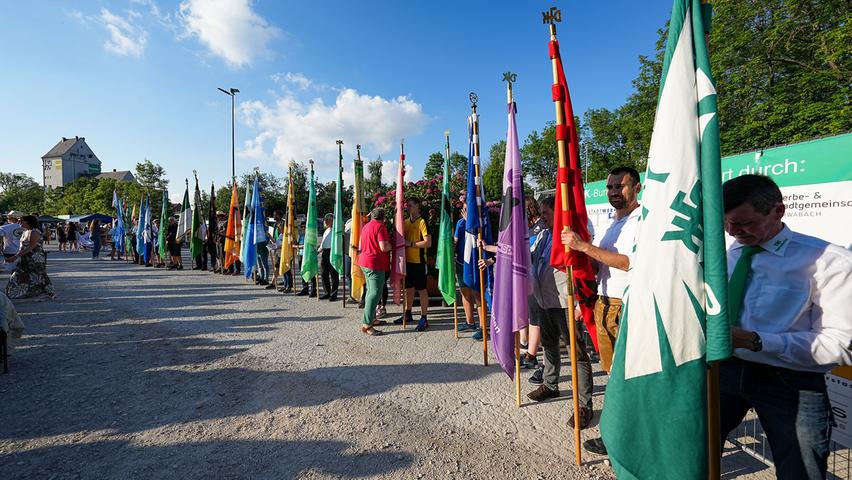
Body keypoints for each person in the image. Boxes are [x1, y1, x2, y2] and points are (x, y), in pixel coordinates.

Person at [719, 174, 852, 479]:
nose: (733, 232)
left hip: (792, 382)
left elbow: (840, 344)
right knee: (695, 448)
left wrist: (756, 340)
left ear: (777, 211)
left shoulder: (829, 262)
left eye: (744, 223)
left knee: (800, 470)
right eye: (727, 223)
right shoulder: (730, 254)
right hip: (725, 370)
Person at [561, 165, 642, 455]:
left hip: (626, 307)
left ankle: (627, 438)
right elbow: (603, 264)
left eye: (619, 187)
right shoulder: (613, 223)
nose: (613, 192)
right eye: (609, 187)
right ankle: (618, 435)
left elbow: (628, 262)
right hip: (604, 304)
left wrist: (583, 247)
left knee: (627, 378)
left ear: (636, 188)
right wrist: (579, 263)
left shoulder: (641, 221)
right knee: (612, 375)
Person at [519, 197, 594, 429]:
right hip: (545, 302)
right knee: (549, 346)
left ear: (558, 212)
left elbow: (585, 268)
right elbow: (529, 258)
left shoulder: (571, 235)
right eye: (541, 212)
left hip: (566, 304)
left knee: (577, 353)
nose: (541, 216)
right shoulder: (543, 235)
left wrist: (581, 305)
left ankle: (584, 405)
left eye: (546, 212)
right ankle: (551, 385)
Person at [396, 197, 432, 331]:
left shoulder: (422, 222)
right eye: (407, 206)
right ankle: (408, 313)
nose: (408, 208)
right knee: (408, 289)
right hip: (407, 262)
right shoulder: (405, 222)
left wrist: (410, 244)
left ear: (417, 206)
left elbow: (428, 242)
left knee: (422, 290)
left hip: (419, 262)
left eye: (410, 205)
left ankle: (424, 317)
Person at [358, 208, 393, 336]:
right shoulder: (380, 227)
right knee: (375, 293)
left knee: (370, 292)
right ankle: (367, 324)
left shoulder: (366, 226)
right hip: (375, 263)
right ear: (383, 218)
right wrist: (393, 245)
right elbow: (384, 247)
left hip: (365, 261)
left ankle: (372, 318)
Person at [5, 215, 55, 299]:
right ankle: (19, 292)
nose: (19, 222)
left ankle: (48, 293)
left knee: (38, 275)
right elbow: (22, 247)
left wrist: (16, 256)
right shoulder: (25, 231)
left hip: (35, 258)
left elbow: (31, 247)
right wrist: (15, 256)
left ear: (28, 222)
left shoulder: (34, 232)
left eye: (21, 220)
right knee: (22, 275)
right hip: (25, 258)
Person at [454, 202, 480, 334]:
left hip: (475, 264)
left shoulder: (478, 223)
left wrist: (469, 222)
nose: (464, 212)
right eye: (463, 209)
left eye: (467, 209)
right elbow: (455, 241)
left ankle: (482, 325)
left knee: (477, 294)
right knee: (465, 293)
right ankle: (470, 321)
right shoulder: (460, 223)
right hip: (461, 263)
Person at [319, 213, 338, 301]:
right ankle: (327, 292)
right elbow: (323, 243)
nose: (325, 221)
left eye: (327, 220)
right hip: (325, 252)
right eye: (325, 220)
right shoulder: (326, 231)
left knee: (333, 274)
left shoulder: (335, 230)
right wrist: (318, 251)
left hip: (332, 252)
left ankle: (334, 294)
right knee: (323, 273)